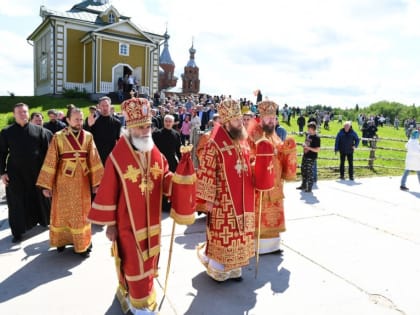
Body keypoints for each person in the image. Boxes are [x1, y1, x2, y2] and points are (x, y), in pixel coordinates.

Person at [88, 97, 196, 315]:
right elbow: (108, 189)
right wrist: (110, 225)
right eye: (141, 127)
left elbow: (164, 175)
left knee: (149, 261)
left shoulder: (154, 151)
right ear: (130, 127)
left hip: (153, 221)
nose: (146, 131)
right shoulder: (118, 155)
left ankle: (142, 294)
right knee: (134, 262)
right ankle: (139, 306)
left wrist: (178, 179)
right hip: (127, 222)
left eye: (148, 126)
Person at [196, 99, 274, 282]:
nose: (241, 122)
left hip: (244, 196)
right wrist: (207, 199)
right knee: (225, 234)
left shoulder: (243, 141)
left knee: (241, 234)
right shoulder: (213, 142)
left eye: (240, 118)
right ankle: (219, 268)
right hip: (223, 199)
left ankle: (235, 267)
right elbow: (207, 170)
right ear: (226, 122)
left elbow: (246, 164)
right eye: (236, 120)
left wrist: (259, 166)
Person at [36, 107, 104, 257]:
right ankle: (61, 241)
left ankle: (83, 243)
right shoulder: (58, 137)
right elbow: (51, 160)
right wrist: (46, 185)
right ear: (67, 120)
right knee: (62, 213)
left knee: (82, 214)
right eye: (76, 120)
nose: (79, 122)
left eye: (81, 119)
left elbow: (94, 159)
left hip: (83, 182)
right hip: (62, 182)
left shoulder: (88, 136)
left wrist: (96, 183)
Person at [248, 100, 297, 254]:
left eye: (273, 118)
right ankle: (257, 246)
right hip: (260, 183)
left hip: (275, 184)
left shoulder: (275, 135)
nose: (271, 121)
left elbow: (280, 154)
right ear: (261, 119)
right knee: (259, 212)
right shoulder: (252, 134)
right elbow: (248, 156)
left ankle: (273, 245)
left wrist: (287, 148)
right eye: (268, 118)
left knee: (273, 213)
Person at [0, 103, 51, 243]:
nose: (23, 114)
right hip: (15, 175)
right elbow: (1, 153)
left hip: (36, 173)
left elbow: (47, 154)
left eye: (25, 112)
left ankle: (44, 221)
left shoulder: (39, 131)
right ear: (14, 114)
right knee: (16, 203)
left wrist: (48, 174)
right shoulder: (6, 132)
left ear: (28, 113)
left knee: (41, 199)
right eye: (20, 112)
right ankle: (17, 232)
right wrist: (2, 173)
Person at [152, 114, 182, 212]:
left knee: (170, 184)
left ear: (173, 123)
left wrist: (182, 162)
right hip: (159, 163)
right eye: (166, 121)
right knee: (159, 184)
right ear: (163, 122)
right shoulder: (156, 134)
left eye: (170, 121)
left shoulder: (176, 134)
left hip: (172, 163)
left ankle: (170, 204)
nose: (168, 123)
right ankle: (160, 204)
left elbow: (178, 150)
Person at [84, 96, 122, 165]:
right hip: (95, 157)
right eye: (102, 106)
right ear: (98, 107)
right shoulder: (92, 120)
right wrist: (88, 126)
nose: (105, 108)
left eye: (107, 105)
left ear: (110, 106)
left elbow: (118, 140)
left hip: (110, 159)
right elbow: (85, 138)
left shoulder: (117, 123)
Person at [296, 122, 320, 192]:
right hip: (305, 156)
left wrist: (308, 148)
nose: (308, 130)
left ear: (313, 129)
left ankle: (309, 187)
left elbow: (317, 149)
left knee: (309, 172)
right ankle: (303, 185)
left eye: (309, 128)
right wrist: (304, 144)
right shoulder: (308, 135)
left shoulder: (317, 138)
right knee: (303, 171)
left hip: (311, 157)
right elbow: (307, 143)